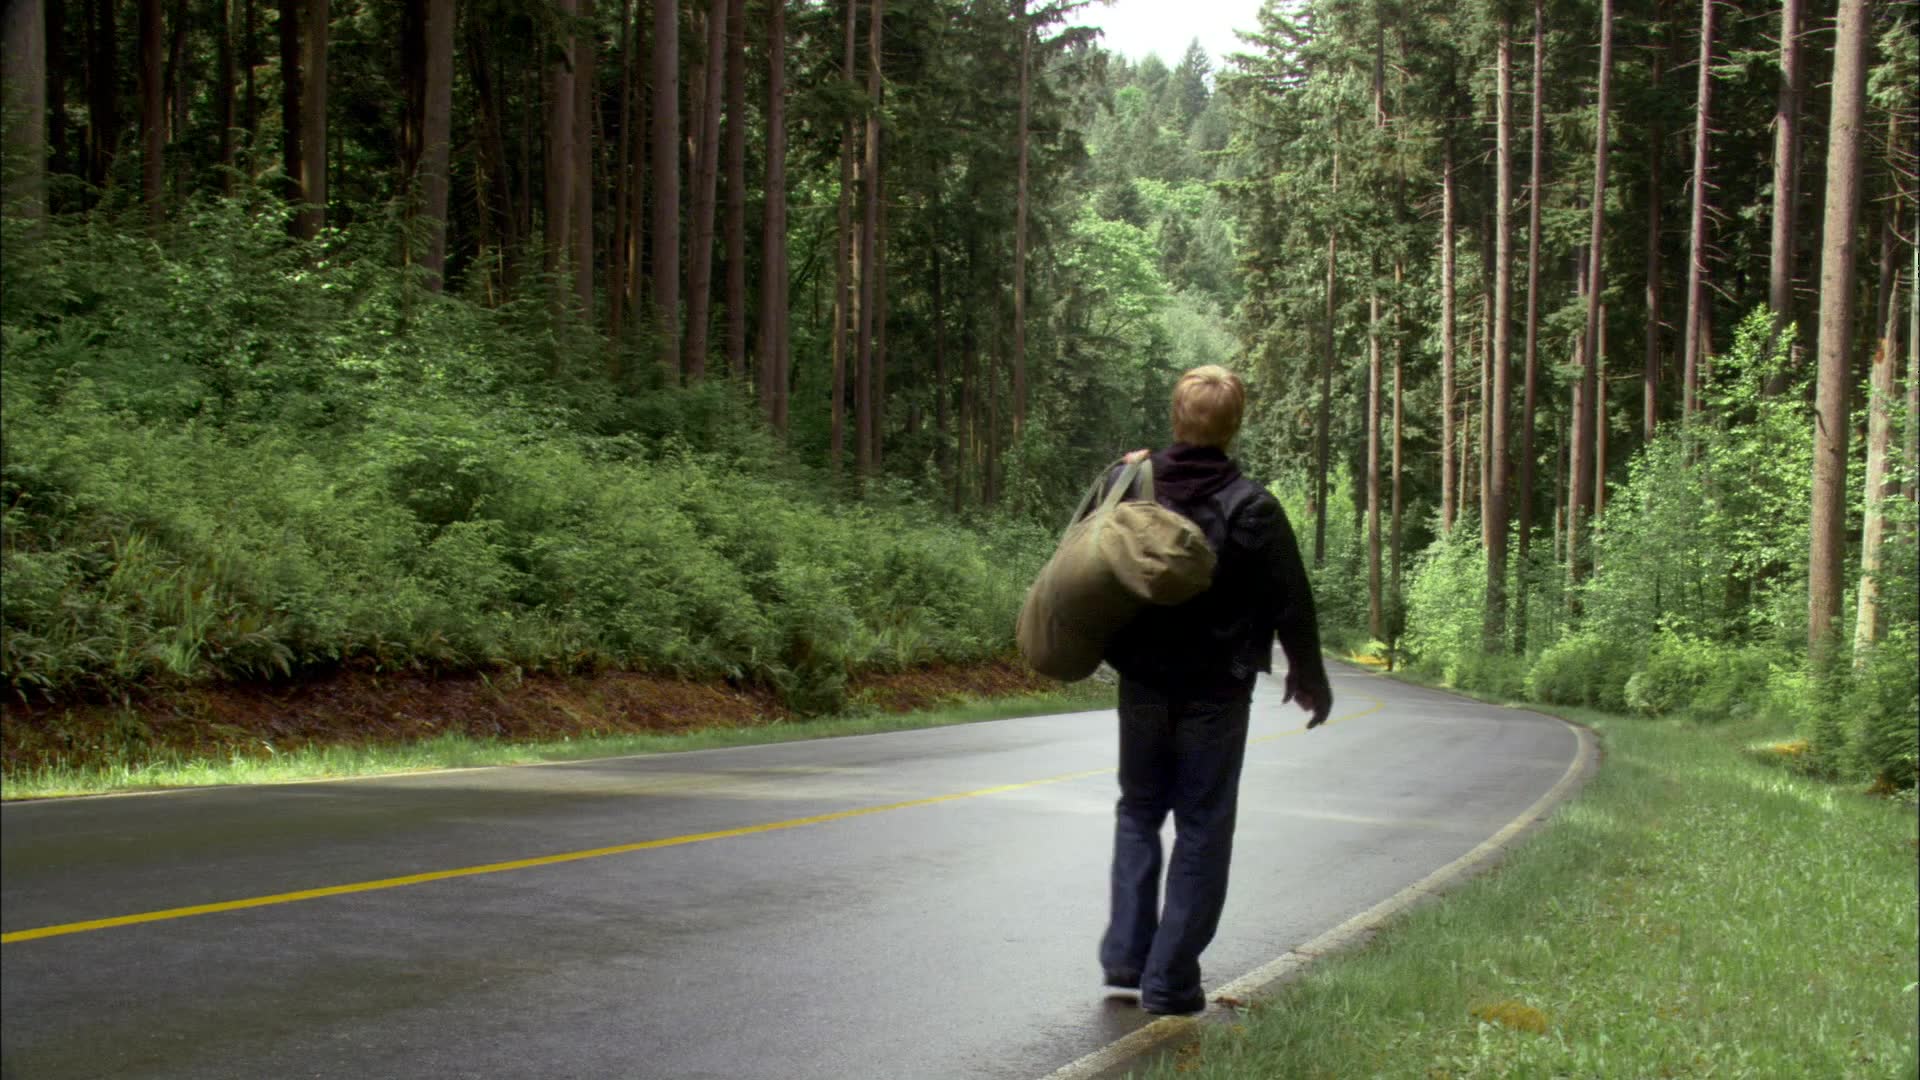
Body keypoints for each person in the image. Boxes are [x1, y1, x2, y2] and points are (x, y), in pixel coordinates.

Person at [1091, 364, 1332, 1016]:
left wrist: (1119, 473)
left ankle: (1127, 959)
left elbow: (1088, 544)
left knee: (1139, 811)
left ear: (1176, 417)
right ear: (1234, 425)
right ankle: (1169, 981)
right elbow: (1291, 600)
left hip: (1143, 681)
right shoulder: (1253, 506)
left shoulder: (1133, 485)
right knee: (1201, 824)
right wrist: (1309, 677)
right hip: (1217, 691)